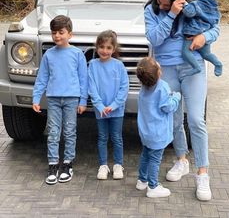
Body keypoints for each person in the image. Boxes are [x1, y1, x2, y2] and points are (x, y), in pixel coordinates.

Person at [144, 0, 220, 201]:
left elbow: (215, 24)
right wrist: (170, 15)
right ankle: (181, 160)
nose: (162, 5)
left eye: (167, 3)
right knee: (174, 119)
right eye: (160, 1)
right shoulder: (152, 10)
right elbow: (154, 39)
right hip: (166, 69)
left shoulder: (193, 7)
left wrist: (204, 36)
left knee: (196, 119)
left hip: (192, 66)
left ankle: (202, 173)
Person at [32, 15, 88, 185]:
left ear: (70, 34)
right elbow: (42, 78)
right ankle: (53, 164)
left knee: (70, 131)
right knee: (53, 132)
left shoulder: (77, 54)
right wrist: (36, 97)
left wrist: (83, 101)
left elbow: (83, 79)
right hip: (53, 99)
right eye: (54, 32)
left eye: (61, 32)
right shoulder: (49, 55)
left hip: (72, 98)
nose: (57, 36)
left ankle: (67, 163)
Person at [135, 57, 181, 198]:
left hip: (146, 131)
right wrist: (176, 97)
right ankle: (153, 186)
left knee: (145, 155)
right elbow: (168, 107)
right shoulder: (162, 86)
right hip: (158, 133)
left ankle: (142, 180)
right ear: (158, 73)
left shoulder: (144, 87)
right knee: (155, 159)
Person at [88, 30, 129, 180]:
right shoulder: (92, 65)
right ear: (97, 47)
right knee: (102, 137)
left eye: (108, 48)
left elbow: (124, 87)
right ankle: (103, 165)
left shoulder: (119, 66)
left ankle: (118, 164)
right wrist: (100, 106)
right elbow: (91, 86)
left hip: (116, 110)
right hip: (101, 110)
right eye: (102, 47)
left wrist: (114, 105)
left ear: (114, 49)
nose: (104, 51)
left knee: (117, 137)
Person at [182, 0, 222, 77]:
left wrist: (185, 5)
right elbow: (216, 22)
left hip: (192, 33)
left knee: (185, 52)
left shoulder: (196, 4)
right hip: (206, 33)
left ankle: (196, 67)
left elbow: (189, 13)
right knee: (206, 55)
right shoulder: (214, 7)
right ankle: (218, 63)